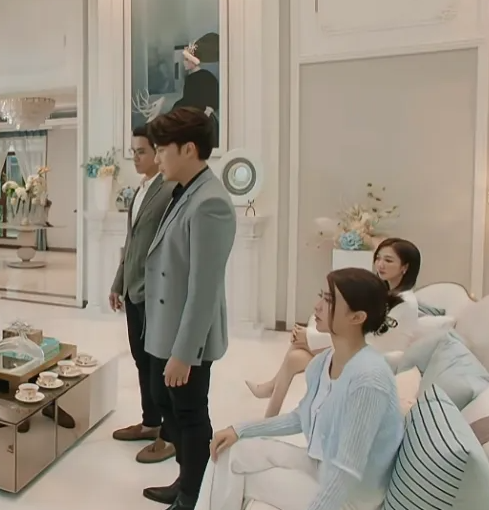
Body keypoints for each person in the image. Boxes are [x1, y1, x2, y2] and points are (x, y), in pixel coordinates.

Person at [201, 268, 404, 510]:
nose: (317, 306)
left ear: (357, 317)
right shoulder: (325, 360)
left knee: (239, 478)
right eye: (321, 296)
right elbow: (301, 416)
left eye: (328, 300)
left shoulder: (369, 379)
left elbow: (347, 471)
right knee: (228, 450)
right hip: (321, 464)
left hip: (350, 498)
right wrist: (239, 429)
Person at [142, 106, 237, 509]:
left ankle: (195, 494)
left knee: (191, 415)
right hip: (166, 328)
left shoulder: (211, 203)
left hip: (187, 337)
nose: (157, 157)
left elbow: (204, 290)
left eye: (162, 149)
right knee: (168, 407)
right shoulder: (184, 190)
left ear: (189, 149)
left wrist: (183, 354)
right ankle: (185, 479)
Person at [246, 237, 421, 417]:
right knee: (295, 356)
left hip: (373, 359)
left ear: (405, 267)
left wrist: (311, 336)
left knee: (297, 351)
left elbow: (371, 336)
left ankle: (270, 396)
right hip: (362, 350)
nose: (380, 264)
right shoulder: (387, 293)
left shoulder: (405, 303)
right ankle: (270, 411)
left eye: (388, 260)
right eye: (378, 258)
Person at [108, 125, 177, 464]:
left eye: (142, 152)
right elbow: (132, 242)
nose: (135, 158)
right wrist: (118, 282)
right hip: (134, 290)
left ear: (157, 152)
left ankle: (170, 435)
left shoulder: (169, 190)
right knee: (140, 359)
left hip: (155, 292)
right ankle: (151, 422)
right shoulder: (140, 190)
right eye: (133, 152)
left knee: (158, 363)